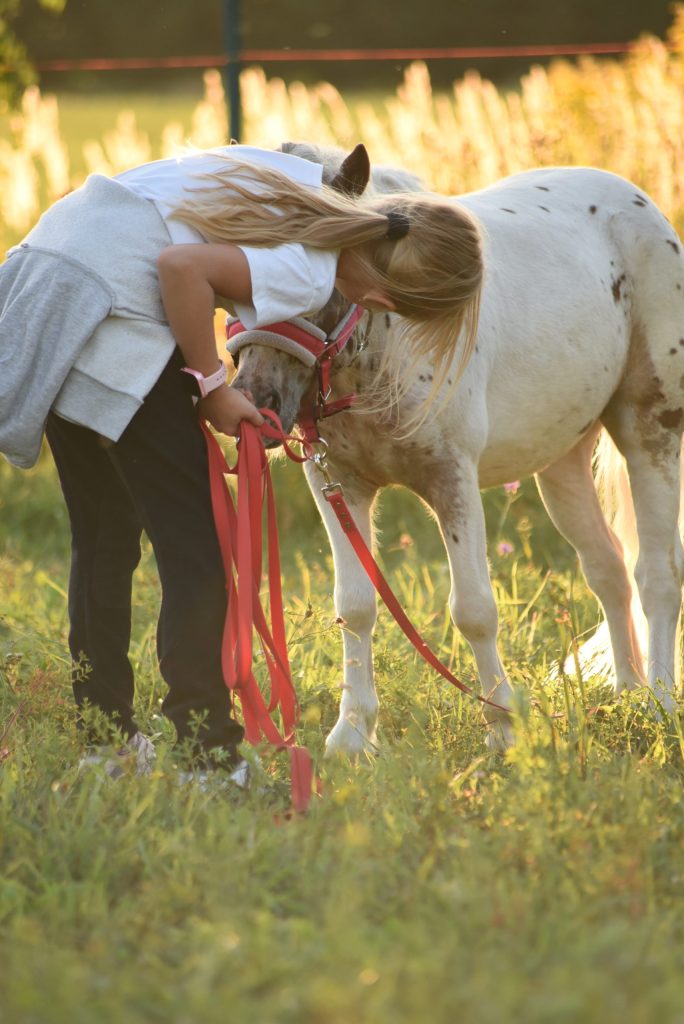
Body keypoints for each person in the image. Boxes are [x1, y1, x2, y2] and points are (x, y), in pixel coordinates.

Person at [0, 143, 483, 780]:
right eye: (400, 304)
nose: (384, 311)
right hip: (114, 310)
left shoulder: (301, 187)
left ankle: (105, 740)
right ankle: (209, 756)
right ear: (394, 287)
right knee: (199, 551)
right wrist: (209, 386)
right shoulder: (314, 266)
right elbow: (180, 269)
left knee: (105, 540)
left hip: (47, 288)